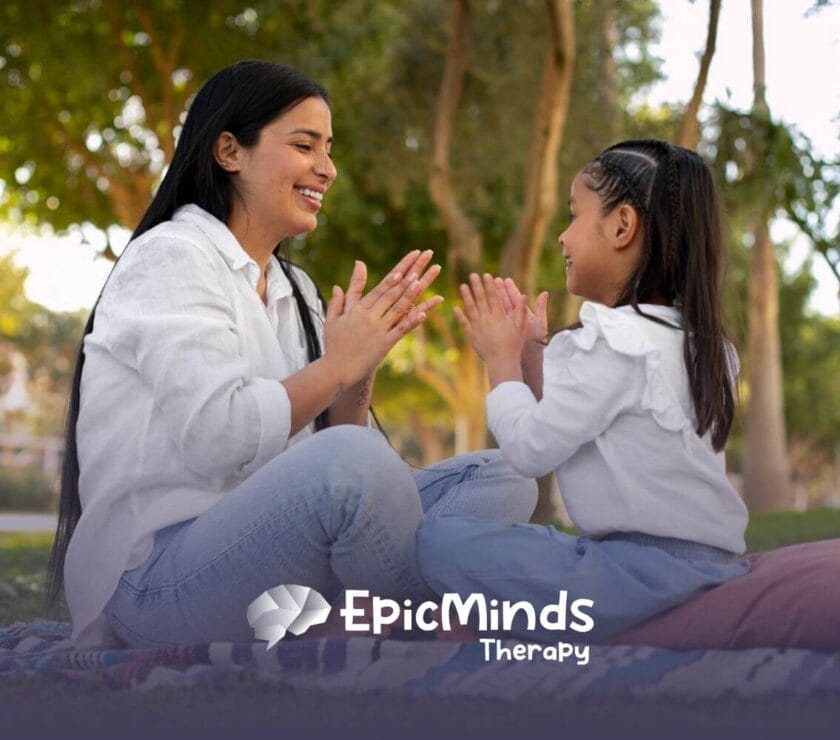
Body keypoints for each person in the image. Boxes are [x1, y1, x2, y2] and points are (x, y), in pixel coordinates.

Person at [47, 60, 537, 648]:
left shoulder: (295, 289)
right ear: (229, 151)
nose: (327, 169)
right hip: (154, 586)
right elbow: (222, 437)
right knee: (354, 462)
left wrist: (360, 369)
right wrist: (335, 367)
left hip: (267, 566)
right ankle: (427, 640)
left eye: (328, 149)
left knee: (503, 477)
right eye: (305, 146)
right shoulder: (171, 258)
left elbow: (329, 449)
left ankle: (354, 623)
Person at [418, 139, 750, 643]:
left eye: (574, 216)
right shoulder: (705, 344)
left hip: (631, 577)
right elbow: (581, 426)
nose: (562, 237)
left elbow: (530, 451)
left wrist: (502, 362)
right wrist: (533, 359)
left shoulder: (608, 337)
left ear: (622, 226)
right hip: (708, 565)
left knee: (441, 542)